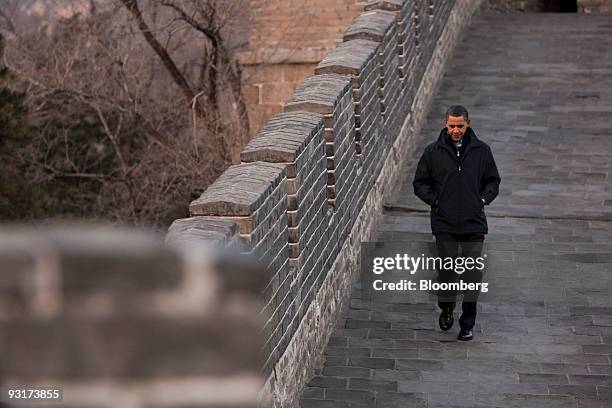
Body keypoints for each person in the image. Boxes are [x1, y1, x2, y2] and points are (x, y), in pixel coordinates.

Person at [412, 105, 501, 341]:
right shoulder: (433, 152)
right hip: (445, 222)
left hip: (473, 222)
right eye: (451, 126)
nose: (455, 130)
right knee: (447, 271)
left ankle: (467, 323)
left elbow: (493, 180)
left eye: (459, 126)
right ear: (445, 124)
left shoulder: (482, 151)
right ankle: (447, 306)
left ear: (468, 123)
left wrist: (482, 199)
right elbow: (420, 183)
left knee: (473, 274)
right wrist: (436, 201)